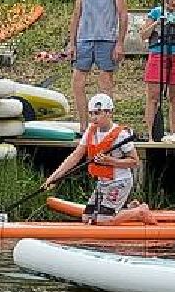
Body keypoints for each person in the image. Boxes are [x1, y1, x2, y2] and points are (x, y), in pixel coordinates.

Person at [43, 94, 150, 224]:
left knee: (103, 220)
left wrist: (110, 161)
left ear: (109, 112)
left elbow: (134, 162)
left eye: (98, 113)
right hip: (103, 183)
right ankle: (130, 208)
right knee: (87, 218)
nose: (94, 118)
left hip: (120, 181)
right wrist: (54, 177)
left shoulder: (121, 134)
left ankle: (139, 212)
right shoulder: (90, 131)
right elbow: (74, 156)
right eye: (91, 113)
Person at [61, 0, 126, 129]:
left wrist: (120, 42)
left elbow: (122, 14)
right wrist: (71, 42)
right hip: (84, 38)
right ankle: (84, 124)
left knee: (105, 81)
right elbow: (76, 14)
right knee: (77, 80)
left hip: (106, 38)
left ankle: (105, 124)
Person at [138, 0, 175, 138]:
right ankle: (151, 132)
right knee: (153, 97)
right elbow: (144, 35)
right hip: (158, 55)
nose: (173, 2)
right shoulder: (155, 13)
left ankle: (174, 132)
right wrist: (155, 24)